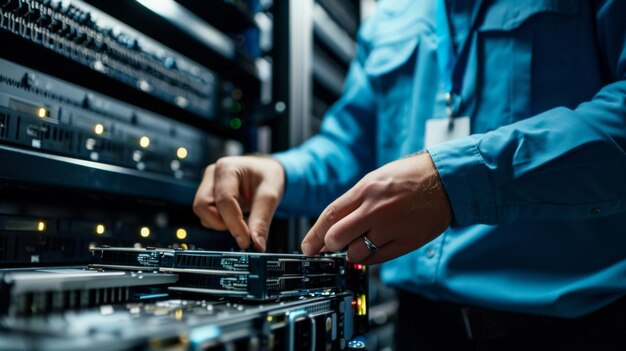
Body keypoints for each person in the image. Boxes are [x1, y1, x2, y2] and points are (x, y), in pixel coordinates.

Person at [194, 0, 626, 349]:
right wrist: (279, 170)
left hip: (575, 327)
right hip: (420, 326)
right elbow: (351, 150)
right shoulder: (391, 19)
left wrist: (453, 181)